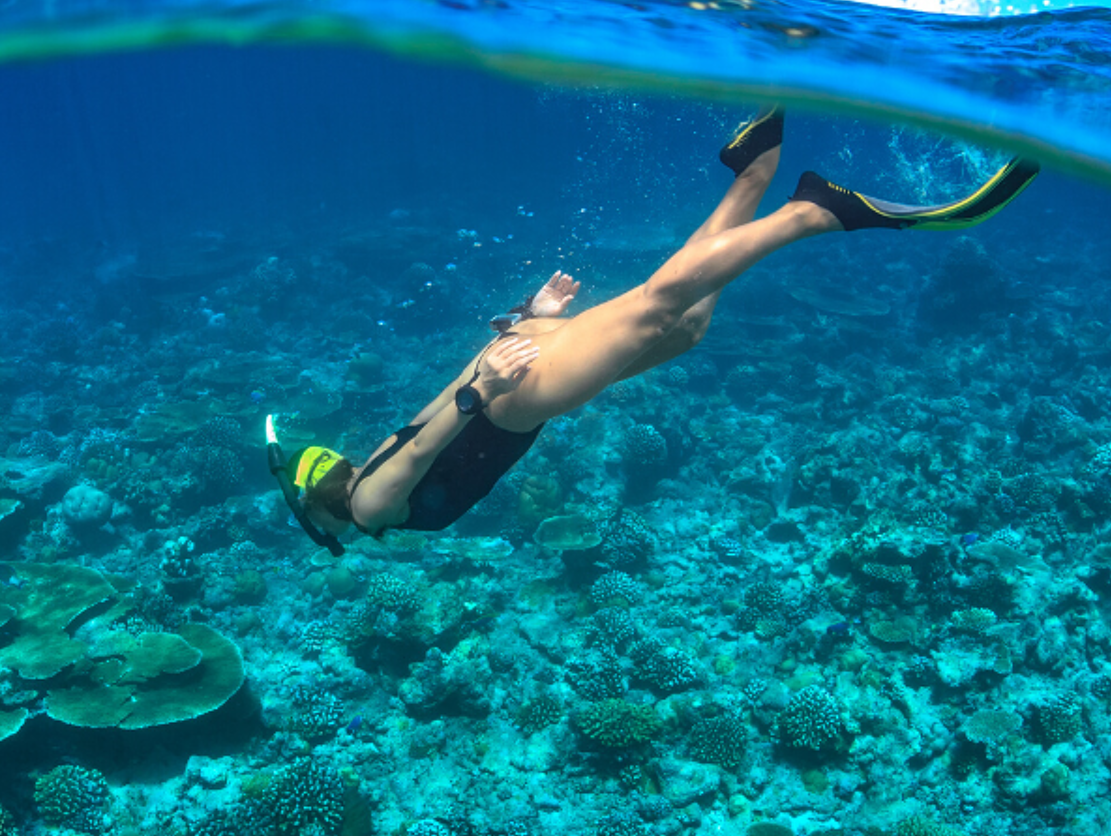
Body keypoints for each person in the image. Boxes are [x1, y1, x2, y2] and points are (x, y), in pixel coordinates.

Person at [265, 108, 1039, 556]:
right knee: (685, 328)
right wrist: (516, 339)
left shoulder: (368, 503)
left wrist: (487, 380)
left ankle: (816, 210)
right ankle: (753, 173)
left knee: (659, 303)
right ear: (313, 487)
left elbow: (437, 432)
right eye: (310, 458)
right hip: (510, 387)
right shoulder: (368, 488)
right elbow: (428, 423)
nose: (325, 453)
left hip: (514, 398)